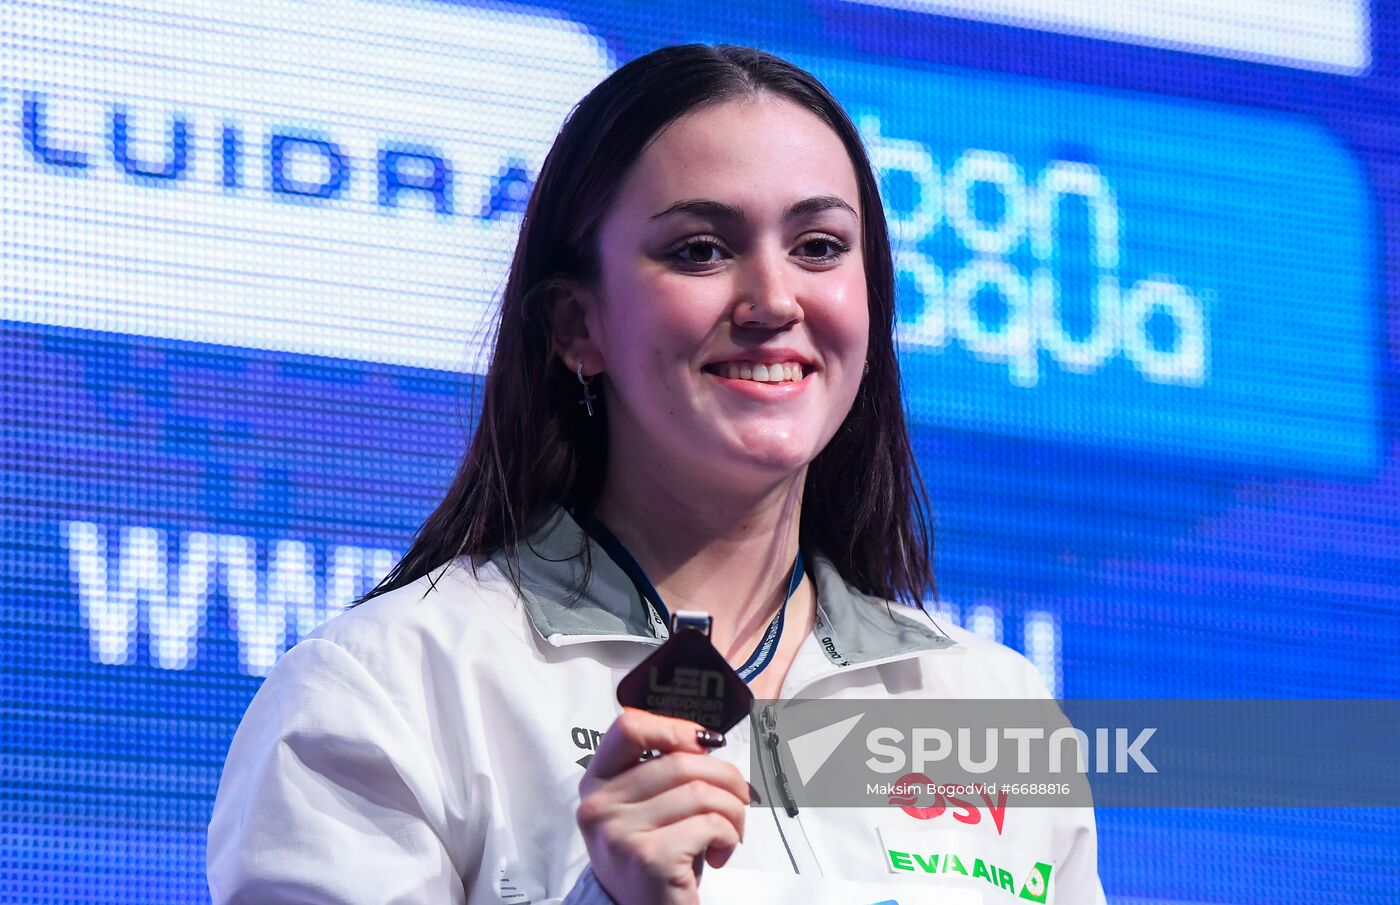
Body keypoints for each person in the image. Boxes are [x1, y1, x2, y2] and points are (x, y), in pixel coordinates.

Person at [207, 44, 1106, 905]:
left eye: (821, 246)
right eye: (700, 251)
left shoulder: (991, 705)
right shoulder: (394, 685)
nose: (775, 300)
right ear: (576, 326)